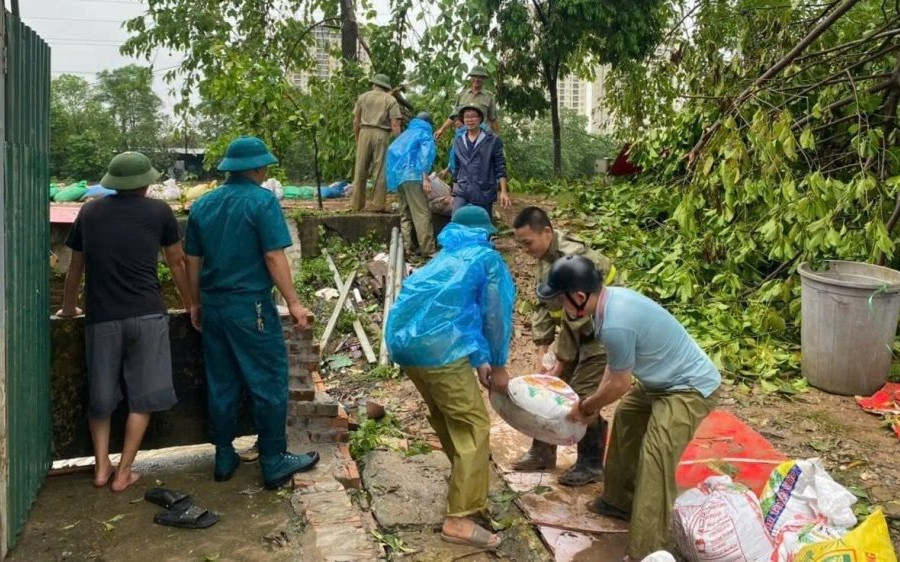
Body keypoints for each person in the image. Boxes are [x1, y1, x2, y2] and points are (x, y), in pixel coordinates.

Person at [537, 255, 721, 560]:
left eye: (560, 300)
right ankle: (619, 501)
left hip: (689, 388)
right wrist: (593, 403)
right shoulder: (605, 306)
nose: (560, 307)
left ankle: (647, 550)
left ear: (579, 297)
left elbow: (620, 384)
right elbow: (616, 365)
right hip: (661, 382)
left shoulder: (616, 321)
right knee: (626, 417)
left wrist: (586, 407)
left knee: (656, 455)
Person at [184, 136, 320, 489]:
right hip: (251, 306)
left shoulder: (203, 205)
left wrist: (195, 302)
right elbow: (274, 256)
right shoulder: (262, 202)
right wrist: (294, 302)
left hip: (214, 306)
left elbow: (192, 260)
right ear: (258, 168)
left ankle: (224, 454)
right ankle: (274, 459)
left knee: (222, 380)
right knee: (269, 380)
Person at [57, 151, 192, 492]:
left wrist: (70, 308)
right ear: (145, 182)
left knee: (101, 398)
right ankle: (123, 472)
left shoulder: (89, 212)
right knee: (142, 399)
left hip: (101, 317)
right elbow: (176, 262)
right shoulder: (159, 212)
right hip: (147, 314)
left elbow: (75, 267)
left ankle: (101, 467)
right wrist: (191, 304)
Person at [386, 205, 515, 550]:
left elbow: (457, 313)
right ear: (487, 235)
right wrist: (498, 363)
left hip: (407, 349)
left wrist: (479, 359)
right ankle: (458, 518)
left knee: (449, 418)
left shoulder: (443, 259)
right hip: (441, 352)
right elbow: (494, 316)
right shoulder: (486, 261)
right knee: (474, 425)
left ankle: (466, 493)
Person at [510, 207, 616, 486]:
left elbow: (575, 316)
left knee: (579, 397)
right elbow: (543, 305)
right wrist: (541, 349)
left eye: (527, 243)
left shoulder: (573, 259)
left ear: (547, 232)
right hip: (575, 331)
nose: (524, 250)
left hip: (599, 334)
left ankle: (591, 464)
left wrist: (561, 362)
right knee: (548, 393)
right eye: (519, 244)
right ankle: (542, 453)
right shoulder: (544, 257)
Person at [386, 111, 437, 258]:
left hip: (400, 178)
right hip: (414, 176)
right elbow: (425, 156)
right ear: (428, 124)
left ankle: (408, 248)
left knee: (406, 213)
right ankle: (428, 250)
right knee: (422, 213)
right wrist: (425, 177)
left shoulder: (405, 135)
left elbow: (391, 152)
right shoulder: (424, 134)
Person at [352, 73, 402, 212]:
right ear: (386, 87)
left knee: (360, 169)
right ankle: (378, 205)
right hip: (382, 134)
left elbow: (356, 120)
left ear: (374, 84)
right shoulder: (390, 99)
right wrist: (400, 142)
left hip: (364, 132)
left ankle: (357, 205)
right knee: (380, 171)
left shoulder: (363, 97)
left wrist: (358, 138)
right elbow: (395, 124)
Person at [452, 104, 511, 216]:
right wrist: (454, 192)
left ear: (480, 118)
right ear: (463, 120)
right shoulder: (459, 141)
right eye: (467, 117)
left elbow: (500, 166)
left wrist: (503, 191)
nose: (470, 120)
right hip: (462, 191)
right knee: (456, 222)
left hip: (483, 192)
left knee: (482, 227)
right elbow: (457, 167)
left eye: (473, 116)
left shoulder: (492, 141)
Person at [434, 66, 500, 138]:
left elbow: (493, 119)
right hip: (463, 134)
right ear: (471, 78)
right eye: (474, 76)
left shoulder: (489, 96)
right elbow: (454, 115)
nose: (477, 79)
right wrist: (441, 130)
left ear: (483, 79)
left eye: (480, 77)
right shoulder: (463, 94)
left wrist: (496, 137)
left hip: (482, 135)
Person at [441, 106, 489, 180]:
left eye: (458, 120)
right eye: (454, 121)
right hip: (460, 176)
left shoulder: (478, 135)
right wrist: (447, 169)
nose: (456, 123)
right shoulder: (459, 135)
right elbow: (455, 155)